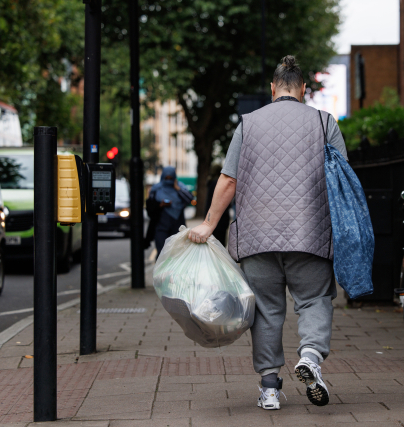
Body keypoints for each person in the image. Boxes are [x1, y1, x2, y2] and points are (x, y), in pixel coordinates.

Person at [188, 55, 348, 410]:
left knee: (265, 312)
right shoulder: (325, 123)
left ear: (273, 89)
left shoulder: (249, 123)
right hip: (310, 235)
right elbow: (341, 180)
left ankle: (270, 389)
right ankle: (309, 356)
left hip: (257, 239)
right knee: (314, 301)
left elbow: (229, 179)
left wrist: (210, 224)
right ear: (303, 89)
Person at [145, 166, 192, 257]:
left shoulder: (180, 187)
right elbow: (150, 207)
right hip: (161, 228)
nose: (168, 180)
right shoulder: (156, 189)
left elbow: (189, 199)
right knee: (162, 254)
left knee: (177, 254)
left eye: (171, 178)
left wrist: (177, 188)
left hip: (177, 229)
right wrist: (160, 205)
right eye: (166, 178)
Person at [205, 164, 231, 246]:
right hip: (220, 217)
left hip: (210, 215)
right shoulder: (218, 183)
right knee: (220, 243)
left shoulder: (210, 182)